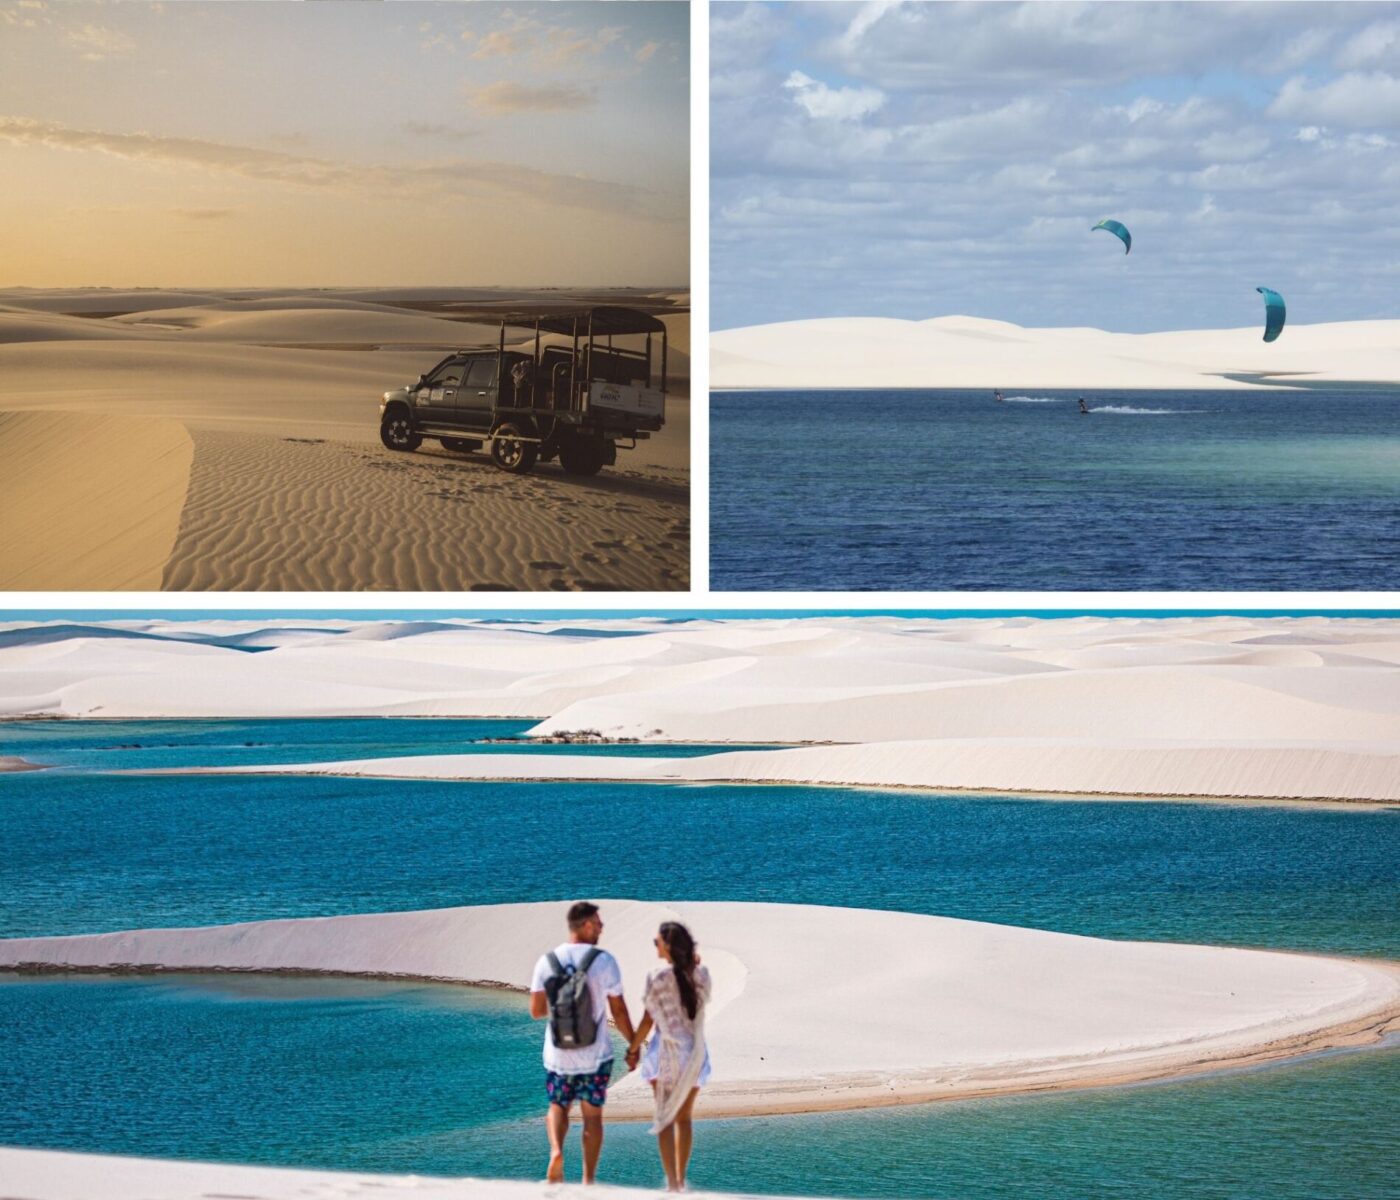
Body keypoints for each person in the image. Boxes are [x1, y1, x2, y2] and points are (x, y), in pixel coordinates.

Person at [530, 902, 636, 1186]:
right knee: (592, 1117)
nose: (601, 927)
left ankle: (556, 1152)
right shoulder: (604, 961)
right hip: (595, 1055)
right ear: (586, 925)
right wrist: (634, 1044)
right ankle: (588, 1180)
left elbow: (537, 1010)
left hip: (558, 1054)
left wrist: (562, 1005)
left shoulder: (547, 961)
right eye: (598, 923)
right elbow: (620, 1011)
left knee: (557, 1106)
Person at [625, 922, 712, 1193]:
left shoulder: (657, 977)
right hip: (694, 1053)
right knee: (684, 1119)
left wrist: (632, 1050)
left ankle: (672, 1184)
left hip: (665, 1054)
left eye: (656, 943)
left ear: (667, 946)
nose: (655, 948)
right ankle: (681, 1180)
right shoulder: (702, 974)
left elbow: (647, 1021)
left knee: (664, 1119)